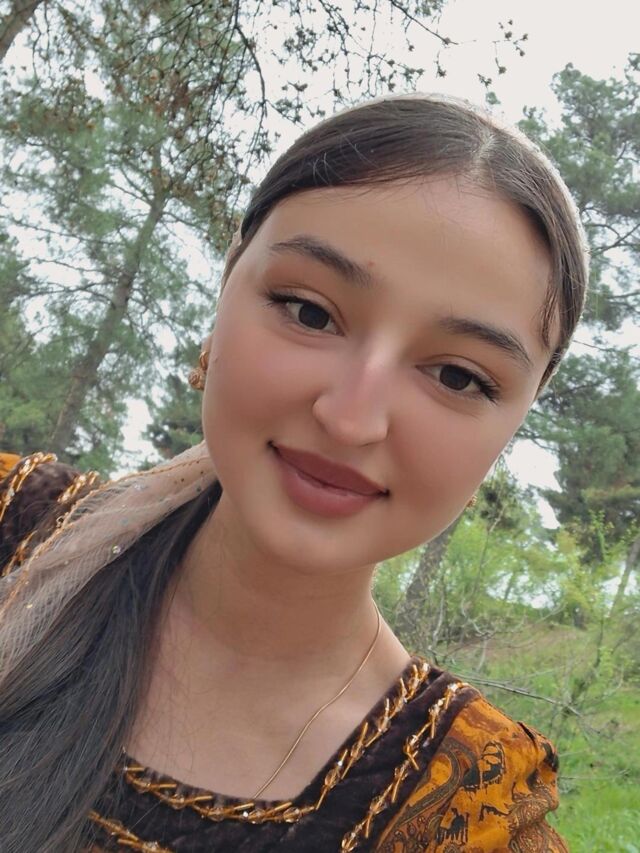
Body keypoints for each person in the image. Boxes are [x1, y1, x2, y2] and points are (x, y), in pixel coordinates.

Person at [0, 94, 587, 852]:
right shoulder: (17, 528)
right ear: (226, 286)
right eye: (309, 312)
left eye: (457, 376)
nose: (351, 419)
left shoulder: (466, 808)